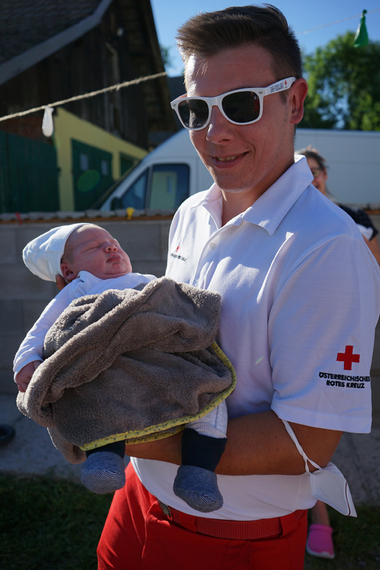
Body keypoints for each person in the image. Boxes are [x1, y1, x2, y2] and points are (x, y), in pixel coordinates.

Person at [96, 6, 380, 570]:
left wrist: (118, 431)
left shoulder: (328, 247)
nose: (214, 132)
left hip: (233, 536)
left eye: (241, 104)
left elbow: (308, 441)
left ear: (293, 101)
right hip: (137, 498)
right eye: (196, 110)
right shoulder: (190, 214)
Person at [14, 222, 234, 511]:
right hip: (112, 367)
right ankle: (105, 459)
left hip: (162, 363)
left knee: (207, 392)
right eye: (93, 247)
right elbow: (43, 329)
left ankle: (199, 472)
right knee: (93, 397)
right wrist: (26, 360)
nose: (110, 247)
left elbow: (171, 302)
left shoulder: (145, 281)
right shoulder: (80, 288)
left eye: (114, 242)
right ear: (68, 272)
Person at [296, 146, 380, 559]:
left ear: (326, 174)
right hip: (304, 340)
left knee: (331, 428)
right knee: (307, 428)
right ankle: (320, 521)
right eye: (301, 171)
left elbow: (374, 273)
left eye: (315, 171)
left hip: (347, 340)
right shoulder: (288, 221)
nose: (310, 178)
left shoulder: (355, 219)